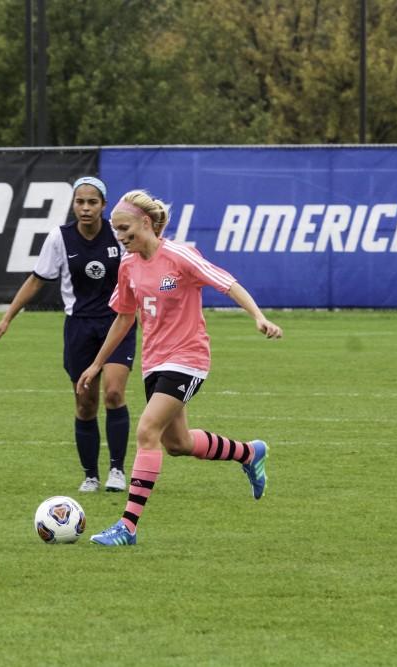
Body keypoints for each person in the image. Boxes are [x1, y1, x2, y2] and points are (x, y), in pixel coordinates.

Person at [77, 190, 283, 547]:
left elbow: (227, 282)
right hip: (154, 361)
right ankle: (250, 453)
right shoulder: (128, 266)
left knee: (147, 431)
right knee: (177, 443)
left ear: (146, 223)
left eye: (125, 228)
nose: (121, 236)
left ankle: (127, 527)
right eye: (116, 231)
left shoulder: (180, 255)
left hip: (189, 358)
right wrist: (97, 364)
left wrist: (259, 317)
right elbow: (125, 317)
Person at [0, 176, 136, 493]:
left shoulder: (118, 234)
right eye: (80, 201)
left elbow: (141, 270)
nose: (85, 208)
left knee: (113, 393)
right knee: (85, 403)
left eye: (92, 202)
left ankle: (117, 471)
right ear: (73, 204)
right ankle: (90, 476)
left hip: (116, 323)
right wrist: (7, 318)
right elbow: (37, 279)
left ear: (104, 206)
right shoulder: (60, 238)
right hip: (79, 326)